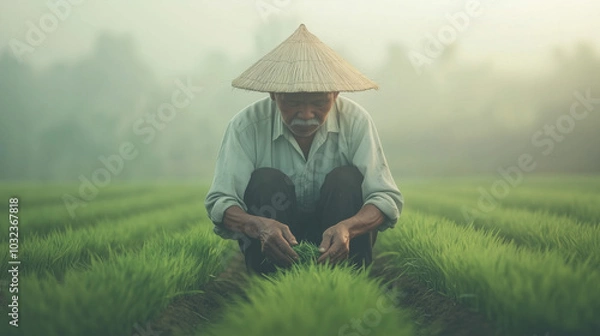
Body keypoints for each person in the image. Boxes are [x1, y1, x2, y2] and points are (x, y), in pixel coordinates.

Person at [204, 24, 403, 275]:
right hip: (274, 247)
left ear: (336, 93)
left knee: (347, 179)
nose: (306, 115)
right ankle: (271, 283)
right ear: (273, 94)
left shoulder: (357, 122)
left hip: (340, 240)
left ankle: (347, 279)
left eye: (319, 103)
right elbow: (220, 202)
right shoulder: (246, 127)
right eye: (293, 103)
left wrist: (348, 228)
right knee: (266, 181)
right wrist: (260, 226)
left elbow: (385, 198)